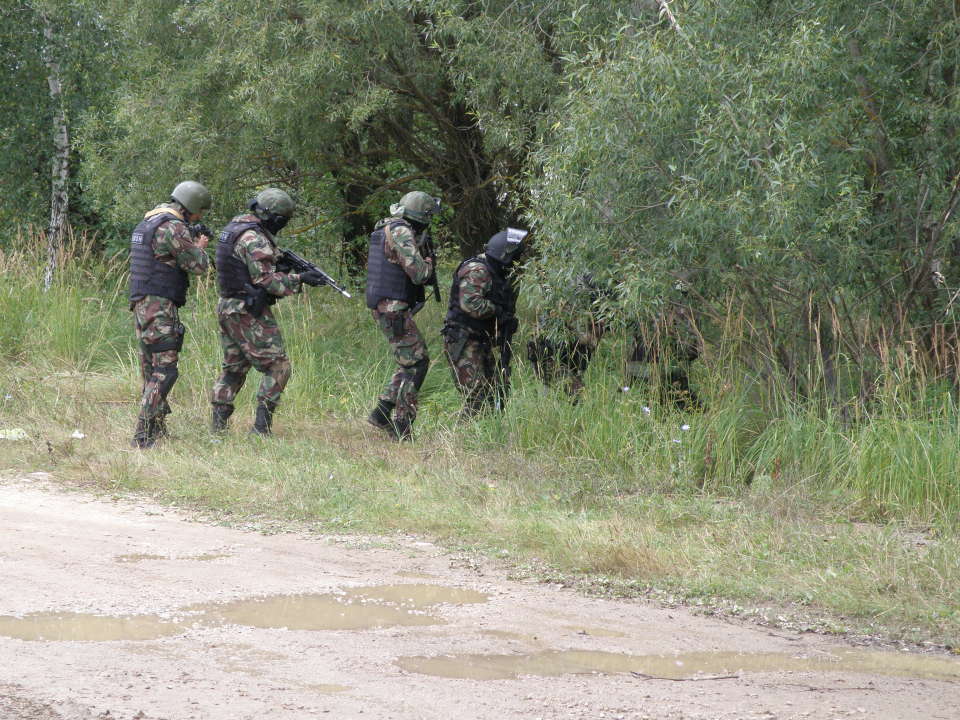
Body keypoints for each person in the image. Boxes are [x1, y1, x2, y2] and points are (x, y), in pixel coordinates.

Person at [210, 188, 327, 435]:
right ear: (275, 218)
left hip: (229, 307)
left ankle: (218, 429)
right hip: (247, 311)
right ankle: (261, 429)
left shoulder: (233, 228)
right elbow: (267, 282)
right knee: (279, 366)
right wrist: (301, 278)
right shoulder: (253, 237)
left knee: (234, 367)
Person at [129, 181, 213, 449]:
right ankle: (143, 435)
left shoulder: (148, 222)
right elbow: (199, 266)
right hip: (160, 306)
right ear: (189, 206)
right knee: (165, 371)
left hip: (142, 304)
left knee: (150, 369)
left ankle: (157, 429)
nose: (200, 216)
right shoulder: (172, 227)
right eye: (199, 211)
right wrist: (199, 246)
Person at [364, 191, 441, 441]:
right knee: (418, 362)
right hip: (392, 307)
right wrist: (430, 261)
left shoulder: (387, 228)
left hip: (387, 305)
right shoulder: (401, 231)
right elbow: (419, 274)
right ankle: (402, 425)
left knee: (409, 360)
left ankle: (382, 412)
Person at [442, 228, 527, 419]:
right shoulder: (477, 269)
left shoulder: (500, 274)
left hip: (482, 342)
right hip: (463, 341)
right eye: (515, 258)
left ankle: (488, 441)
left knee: (495, 392)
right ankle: (464, 442)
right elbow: (470, 304)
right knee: (476, 398)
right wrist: (497, 312)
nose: (517, 264)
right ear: (504, 256)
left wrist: (505, 323)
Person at [527, 273, 605, 401]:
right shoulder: (569, 306)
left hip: (567, 358)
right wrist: (586, 337)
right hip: (549, 354)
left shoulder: (588, 308)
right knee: (578, 397)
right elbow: (579, 338)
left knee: (557, 394)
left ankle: (549, 411)